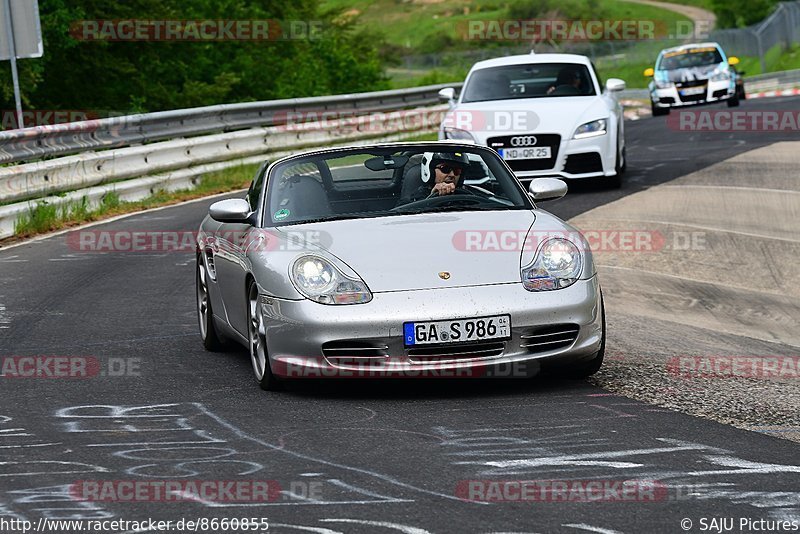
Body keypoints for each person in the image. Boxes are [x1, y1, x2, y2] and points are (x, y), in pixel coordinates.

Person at [398, 152, 470, 205]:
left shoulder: (468, 196)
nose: (452, 175)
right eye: (445, 169)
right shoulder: (415, 198)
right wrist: (430, 197)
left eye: (457, 171)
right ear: (430, 171)